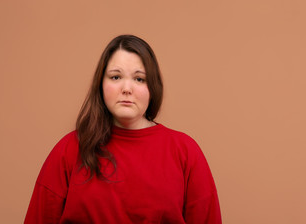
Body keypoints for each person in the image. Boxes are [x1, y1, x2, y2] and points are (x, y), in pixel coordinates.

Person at [24, 34, 222, 223]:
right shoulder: (68, 150)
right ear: (101, 85)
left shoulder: (185, 151)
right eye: (116, 77)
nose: (127, 88)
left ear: (152, 87)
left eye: (139, 79)